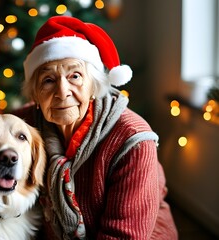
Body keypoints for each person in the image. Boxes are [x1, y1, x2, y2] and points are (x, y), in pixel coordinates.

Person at [15, 16, 178, 239]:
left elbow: (124, 235)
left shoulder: (133, 140)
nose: (63, 92)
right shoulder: (22, 125)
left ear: (94, 86)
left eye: (75, 76)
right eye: (48, 80)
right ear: (35, 95)